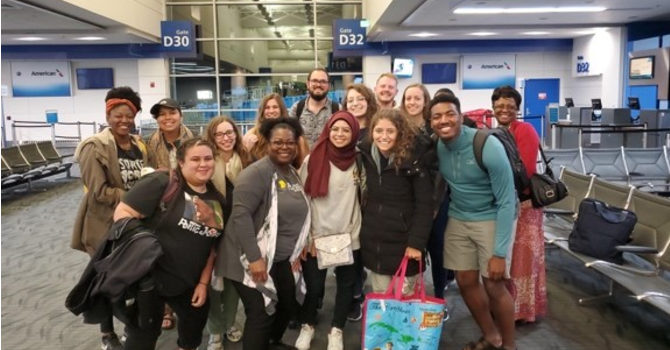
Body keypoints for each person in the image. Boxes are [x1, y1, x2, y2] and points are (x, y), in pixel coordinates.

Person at [113, 138, 224, 350]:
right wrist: (145, 247)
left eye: (208, 158)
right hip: (150, 279)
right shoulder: (162, 182)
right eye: (195, 159)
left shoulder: (217, 199)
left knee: (192, 332)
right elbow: (122, 214)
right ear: (181, 162)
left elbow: (212, 245)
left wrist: (203, 282)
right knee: (143, 336)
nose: (203, 164)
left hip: (188, 283)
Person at [430, 93, 517, 350]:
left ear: (460, 117)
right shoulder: (437, 145)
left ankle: (510, 346)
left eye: (449, 114)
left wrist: (499, 252)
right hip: (458, 217)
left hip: (491, 216)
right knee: (466, 281)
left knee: (494, 285)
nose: (443, 120)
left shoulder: (487, 145)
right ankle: (491, 336)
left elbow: (506, 202)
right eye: (436, 116)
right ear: (431, 121)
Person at [219, 117, 311, 350]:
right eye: (277, 142)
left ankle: (270, 342)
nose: (284, 147)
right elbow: (240, 217)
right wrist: (254, 258)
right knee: (261, 312)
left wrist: (298, 248)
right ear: (267, 143)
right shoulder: (257, 173)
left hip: (279, 258)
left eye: (289, 142)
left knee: (288, 304)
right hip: (246, 258)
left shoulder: (290, 172)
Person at [71, 86, 148, 350]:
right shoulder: (95, 147)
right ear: (108, 115)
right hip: (103, 224)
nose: (124, 120)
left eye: (129, 115)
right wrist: (134, 197)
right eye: (118, 115)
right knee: (105, 277)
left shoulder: (138, 145)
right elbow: (99, 192)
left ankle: (127, 326)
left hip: (131, 224)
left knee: (128, 277)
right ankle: (107, 334)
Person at [294, 111, 363, 350]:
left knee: (346, 287)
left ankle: (337, 329)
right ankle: (308, 325)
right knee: (313, 288)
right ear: (328, 131)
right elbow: (303, 201)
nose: (340, 134)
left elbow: (363, 198)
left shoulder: (360, 161)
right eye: (335, 129)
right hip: (317, 236)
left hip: (348, 236)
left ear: (354, 133)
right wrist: (306, 238)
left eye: (346, 130)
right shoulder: (313, 159)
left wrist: (355, 235)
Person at [358, 109, 433, 295]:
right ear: (372, 131)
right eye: (378, 131)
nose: (383, 136)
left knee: (404, 306)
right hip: (376, 245)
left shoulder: (414, 160)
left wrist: (416, 243)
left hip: (405, 244)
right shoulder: (366, 155)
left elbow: (425, 206)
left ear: (400, 132)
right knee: (382, 303)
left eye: (390, 131)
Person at [491, 85, 546, 323]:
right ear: (493, 107)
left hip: (523, 206)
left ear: (517, 109)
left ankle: (521, 311)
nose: (504, 110)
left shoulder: (524, 130)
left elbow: (525, 171)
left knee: (523, 260)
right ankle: (506, 307)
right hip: (505, 204)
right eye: (500, 105)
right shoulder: (496, 131)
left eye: (510, 106)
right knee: (508, 257)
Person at [203, 116, 252, 350]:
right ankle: (215, 331)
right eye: (220, 134)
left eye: (230, 132)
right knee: (212, 283)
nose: (226, 138)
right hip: (210, 231)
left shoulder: (245, 158)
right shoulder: (206, 161)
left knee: (233, 282)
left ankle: (230, 323)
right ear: (212, 137)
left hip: (238, 231)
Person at [243, 93, 309, 167]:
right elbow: (242, 164)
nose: (271, 111)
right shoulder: (252, 134)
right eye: (267, 108)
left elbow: (304, 166)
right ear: (262, 111)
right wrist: (247, 149)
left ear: (281, 110)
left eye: (275, 107)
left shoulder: (295, 136)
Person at [289, 68, 339, 147]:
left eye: (323, 81)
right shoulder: (297, 109)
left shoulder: (337, 109)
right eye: (315, 81)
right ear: (308, 84)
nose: (318, 85)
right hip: (302, 159)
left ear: (329, 86)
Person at [147, 97, 194, 170]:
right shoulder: (148, 143)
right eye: (162, 114)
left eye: (172, 113)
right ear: (157, 119)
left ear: (181, 116)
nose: (167, 117)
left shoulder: (195, 139)